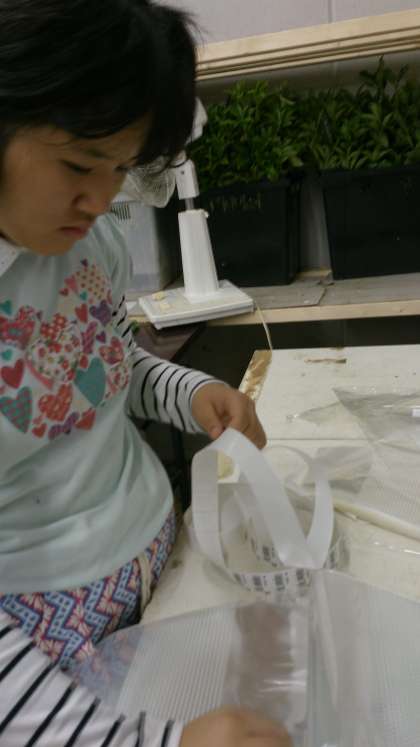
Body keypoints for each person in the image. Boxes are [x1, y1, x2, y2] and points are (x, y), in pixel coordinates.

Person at [0, 0, 291, 744]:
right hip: (43, 646)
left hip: (161, 568)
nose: (101, 199)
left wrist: (192, 392)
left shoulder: (86, 243)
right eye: (78, 164)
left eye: (121, 168)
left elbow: (104, 363)